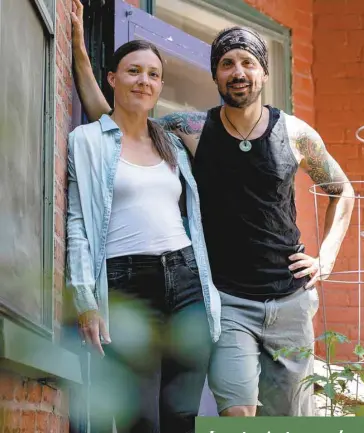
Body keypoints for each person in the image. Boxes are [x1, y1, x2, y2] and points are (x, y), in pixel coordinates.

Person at [71, 0, 355, 417]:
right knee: (238, 414)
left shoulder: (295, 133)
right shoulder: (192, 131)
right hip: (229, 298)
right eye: (226, 63)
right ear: (216, 75)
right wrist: (79, 51)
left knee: (292, 418)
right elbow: (117, 122)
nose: (238, 72)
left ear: (263, 72)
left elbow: (342, 190)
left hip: (291, 300)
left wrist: (326, 259)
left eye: (247, 62)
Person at [66, 38, 221, 433]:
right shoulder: (86, 142)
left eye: (153, 75)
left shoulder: (171, 143)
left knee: (182, 416)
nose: (143, 81)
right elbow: (77, 225)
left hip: (186, 283)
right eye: (134, 71)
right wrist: (86, 301)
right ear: (112, 79)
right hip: (125, 285)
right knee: (140, 419)